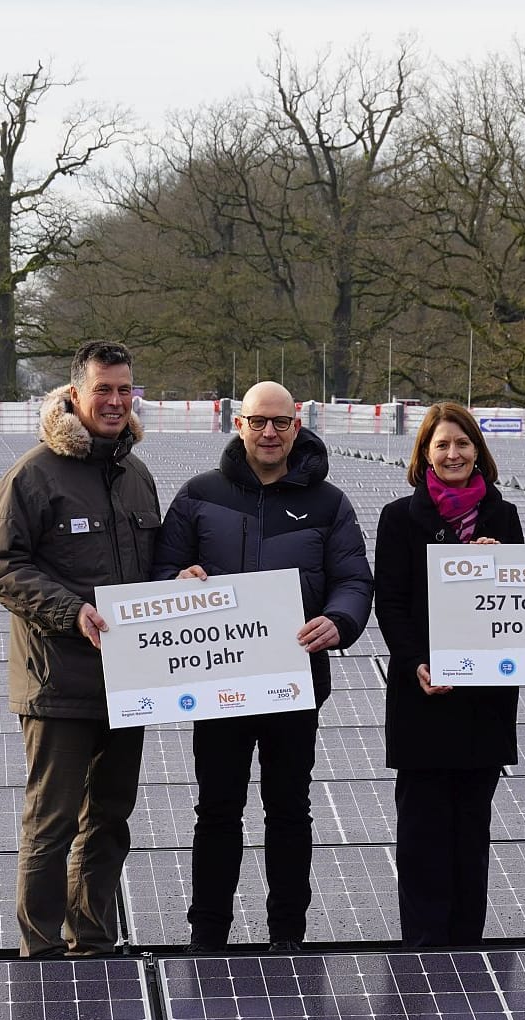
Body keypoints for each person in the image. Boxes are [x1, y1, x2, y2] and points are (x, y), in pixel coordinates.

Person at [155, 380, 373, 951]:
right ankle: (208, 933)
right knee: (218, 810)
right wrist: (178, 581)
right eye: (258, 422)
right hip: (218, 681)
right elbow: (160, 572)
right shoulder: (199, 495)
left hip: (295, 681)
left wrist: (340, 622)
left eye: (280, 422)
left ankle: (287, 933)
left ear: (297, 425)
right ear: (239, 424)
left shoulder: (329, 502)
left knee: (289, 810)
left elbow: (352, 579)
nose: (269, 432)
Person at [0, 340, 160, 957]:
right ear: (74, 394)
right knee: (52, 822)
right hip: (58, 680)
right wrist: (67, 610)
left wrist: (182, 583)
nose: (114, 401)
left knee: (109, 819)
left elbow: (151, 570)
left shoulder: (136, 475)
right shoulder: (34, 474)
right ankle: (42, 947)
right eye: (102, 389)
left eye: (124, 389)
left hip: (128, 681)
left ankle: (95, 938)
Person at [374, 402, 524, 947]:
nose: (454, 453)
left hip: (483, 699)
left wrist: (499, 562)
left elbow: (519, 605)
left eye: (463, 444)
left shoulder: (502, 519)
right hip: (422, 695)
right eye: (442, 445)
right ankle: (423, 941)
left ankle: (467, 941)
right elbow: (388, 603)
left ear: (478, 452)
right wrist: (418, 662)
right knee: (421, 830)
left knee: (471, 828)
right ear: (425, 455)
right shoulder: (399, 518)